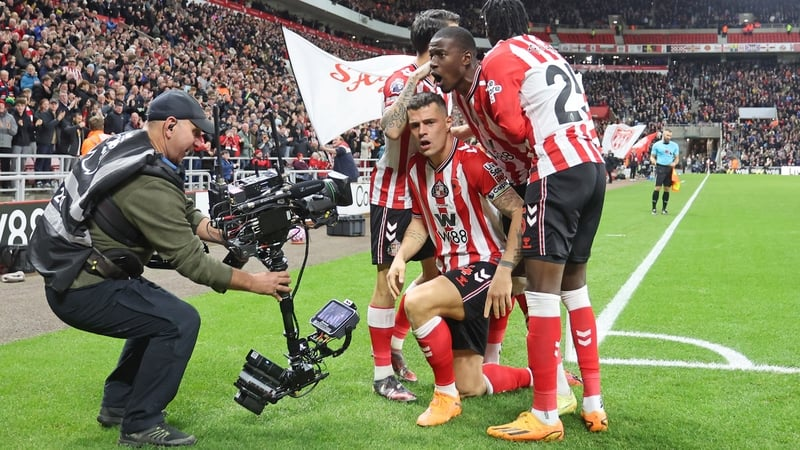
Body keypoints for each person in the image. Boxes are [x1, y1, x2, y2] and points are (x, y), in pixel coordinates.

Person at [28, 89, 292, 447]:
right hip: (82, 286)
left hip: (76, 276)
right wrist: (255, 282)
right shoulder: (148, 179)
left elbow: (182, 211)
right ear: (170, 126)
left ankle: (117, 405)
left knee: (158, 315)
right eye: (196, 133)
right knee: (180, 322)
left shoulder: (133, 147)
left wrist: (221, 233)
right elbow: (192, 263)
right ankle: (141, 422)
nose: (199, 143)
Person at [427, 25, 581, 414]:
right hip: (502, 212)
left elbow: (514, 131)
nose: (431, 65)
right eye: (428, 55)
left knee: (532, 286)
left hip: (530, 193)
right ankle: (513, 367)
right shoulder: (461, 100)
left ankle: (555, 381)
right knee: (521, 286)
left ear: (466, 56)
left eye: (438, 55)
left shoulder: (488, 87)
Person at [479, 0, 608, 441]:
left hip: (555, 170)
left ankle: (545, 413)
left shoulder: (499, 55)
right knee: (577, 287)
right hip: (593, 166)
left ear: (489, 28)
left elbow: (513, 126)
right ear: (526, 23)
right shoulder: (548, 51)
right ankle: (593, 403)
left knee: (540, 293)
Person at [386, 92, 530, 426]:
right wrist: (401, 258)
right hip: (453, 277)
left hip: (485, 267)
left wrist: (506, 271)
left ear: (448, 123)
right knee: (471, 384)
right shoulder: (415, 170)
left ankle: (444, 397)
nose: (422, 132)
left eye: (430, 123)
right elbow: (420, 223)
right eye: (416, 125)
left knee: (417, 301)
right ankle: (532, 376)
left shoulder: (473, 162)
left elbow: (519, 211)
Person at [367, 9, 460, 403]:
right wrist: (416, 80)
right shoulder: (402, 80)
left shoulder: (443, 86)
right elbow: (390, 127)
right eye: (453, 38)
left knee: (434, 273)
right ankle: (381, 374)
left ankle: (398, 342)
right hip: (395, 194)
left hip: (428, 194)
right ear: (435, 43)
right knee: (389, 280)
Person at [649, 129, 680, 214]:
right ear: (663, 135)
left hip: (669, 168)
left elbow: (677, 158)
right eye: (667, 135)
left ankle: (664, 209)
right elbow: (652, 156)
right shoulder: (656, 145)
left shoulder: (675, 145)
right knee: (657, 188)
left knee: (667, 189)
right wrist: (654, 162)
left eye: (670, 136)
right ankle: (654, 208)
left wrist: (674, 163)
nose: (669, 137)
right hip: (660, 167)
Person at [0, 99, 18, 189]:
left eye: (2, 106)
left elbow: (14, 131)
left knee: (5, 166)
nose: (0, 107)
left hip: (6, 145)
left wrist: (8, 129)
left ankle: (5, 185)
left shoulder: (10, 117)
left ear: (4, 107)